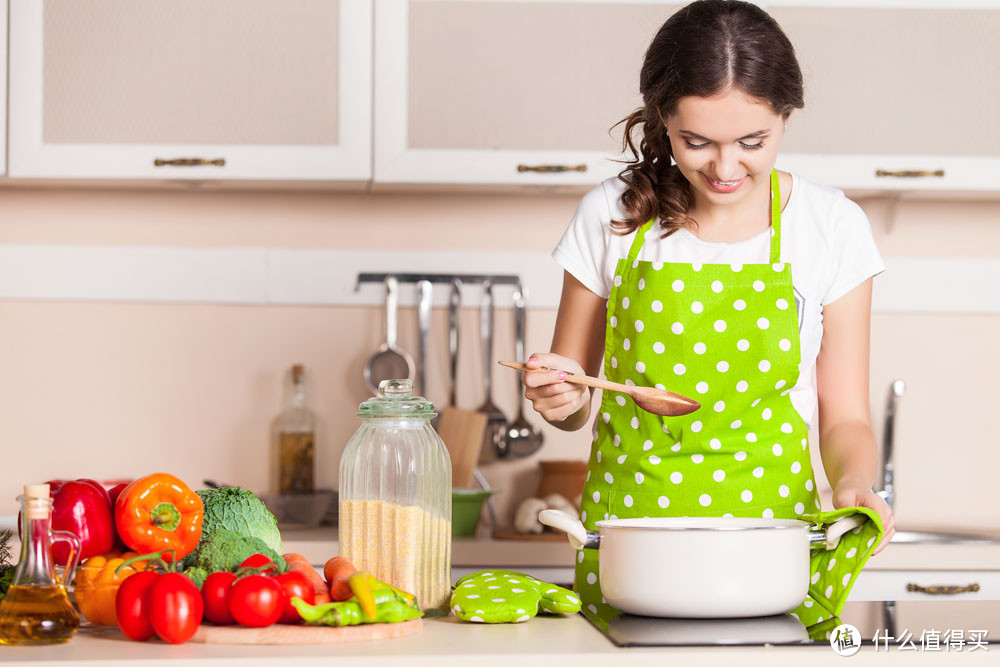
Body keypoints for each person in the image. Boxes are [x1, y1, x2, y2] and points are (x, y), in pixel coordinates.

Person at [521, 0, 896, 596]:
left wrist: (853, 480)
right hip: (628, 542)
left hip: (771, 543)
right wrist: (557, 391)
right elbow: (574, 404)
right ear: (663, 119)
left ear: (786, 118)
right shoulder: (611, 213)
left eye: (753, 141)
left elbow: (846, 415)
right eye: (697, 142)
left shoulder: (831, 226)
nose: (725, 167)